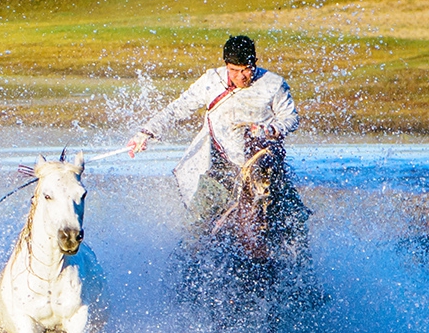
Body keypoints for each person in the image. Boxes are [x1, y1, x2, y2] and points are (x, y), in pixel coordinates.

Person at [126, 35, 305, 227]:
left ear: (255, 63)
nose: (241, 77)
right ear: (226, 64)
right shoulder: (211, 81)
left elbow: (291, 118)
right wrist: (146, 133)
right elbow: (178, 108)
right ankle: (186, 255)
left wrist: (273, 129)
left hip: (264, 169)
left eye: (246, 70)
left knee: (296, 219)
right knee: (196, 223)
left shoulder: (274, 84)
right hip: (224, 168)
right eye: (234, 70)